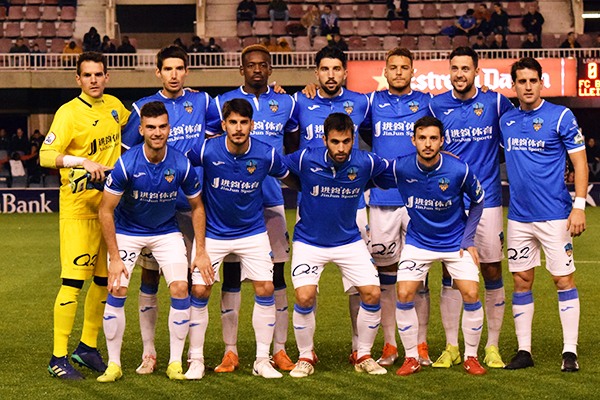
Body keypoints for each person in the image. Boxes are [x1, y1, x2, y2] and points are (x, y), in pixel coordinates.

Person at [120, 45, 219, 375]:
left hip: (193, 207)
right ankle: (149, 352)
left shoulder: (203, 102)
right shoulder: (144, 109)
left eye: (180, 68)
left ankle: (192, 355)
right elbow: (129, 153)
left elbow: (228, 128)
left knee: (191, 282)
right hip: (156, 212)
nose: (174, 74)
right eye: (168, 69)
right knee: (150, 278)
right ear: (158, 72)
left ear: (186, 71)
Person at [185, 98, 300, 380]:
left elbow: (293, 178)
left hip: (252, 232)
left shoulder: (265, 154)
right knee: (200, 291)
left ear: (252, 124)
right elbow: (179, 166)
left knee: (265, 288)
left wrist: (318, 189)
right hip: (213, 233)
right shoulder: (206, 149)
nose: (238, 128)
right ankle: (196, 359)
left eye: (243, 123)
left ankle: (262, 360)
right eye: (233, 122)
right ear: (223, 125)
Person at [204, 44, 298, 373]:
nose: (257, 70)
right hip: (229, 204)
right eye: (251, 65)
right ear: (241, 69)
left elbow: (293, 144)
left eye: (263, 65)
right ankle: (230, 351)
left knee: (276, 276)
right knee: (230, 276)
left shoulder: (287, 102)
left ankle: (280, 349)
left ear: (270, 69)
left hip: (270, 201)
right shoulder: (221, 104)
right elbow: (209, 145)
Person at [97, 101, 205, 382]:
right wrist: (114, 258)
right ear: (142, 129)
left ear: (169, 128)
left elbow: (197, 206)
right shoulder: (126, 163)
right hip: (129, 231)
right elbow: (105, 210)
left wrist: (201, 250)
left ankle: (174, 362)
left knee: (181, 288)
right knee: (118, 288)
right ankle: (114, 364)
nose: (157, 132)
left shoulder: (181, 163)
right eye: (151, 127)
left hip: (166, 231)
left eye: (162, 127)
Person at [374, 116, 487, 376]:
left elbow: (479, 200)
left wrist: (468, 239)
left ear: (441, 141)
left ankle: (471, 356)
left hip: (454, 242)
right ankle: (411, 357)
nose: (427, 144)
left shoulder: (459, 169)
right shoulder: (400, 167)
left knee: (471, 294)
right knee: (404, 294)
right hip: (419, 242)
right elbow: (375, 177)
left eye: (433, 138)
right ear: (413, 140)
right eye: (422, 138)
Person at [40, 52, 130, 380]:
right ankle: (57, 356)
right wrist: (81, 162)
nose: (94, 80)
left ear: (107, 77)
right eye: (87, 75)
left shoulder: (115, 107)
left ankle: (86, 348)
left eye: (99, 74)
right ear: (78, 79)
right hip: (78, 212)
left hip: (108, 211)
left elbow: (135, 126)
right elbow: (45, 155)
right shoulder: (68, 113)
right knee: (72, 284)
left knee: (104, 282)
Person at [429, 46, 514, 369]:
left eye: (466, 68)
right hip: (450, 203)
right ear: (449, 71)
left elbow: (516, 132)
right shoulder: (436, 105)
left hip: (489, 201)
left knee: (492, 270)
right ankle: (452, 345)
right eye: (455, 68)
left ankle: (491, 346)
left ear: (477, 71)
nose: (460, 74)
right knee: (450, 274)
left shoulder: (495, 102)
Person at [500, 57, 587, 372]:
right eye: (521, 81)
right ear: (514, 85)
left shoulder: (561, 116)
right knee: (522, 281)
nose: (527, 86)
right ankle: (524, 351)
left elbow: (580, 162)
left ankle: (570, 352)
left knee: (563, 280)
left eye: (532, 80)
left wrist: (579, 206)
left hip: (555, 215)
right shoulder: (506, 121)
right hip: (519, 218)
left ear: (542, 82)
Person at [286, 112, 388, 378]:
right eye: (335, 142)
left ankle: (363, 354)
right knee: (304, 296)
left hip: (349, 241)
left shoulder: (365, 161)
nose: (341, 148)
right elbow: (277, 168)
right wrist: (301, 185)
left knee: (372, 294)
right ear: (324, 140)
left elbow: (396, 169)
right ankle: (306, 356)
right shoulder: (306, 157)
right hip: (309, 242)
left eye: (346, 142)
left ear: (354, 139)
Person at [289, 46, 371, 365]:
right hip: (312, 204)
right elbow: (288, 143)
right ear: (316, 72)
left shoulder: (362, 102)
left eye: (337, 69)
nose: (331, 75)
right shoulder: (300, 101)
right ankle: (305, 353)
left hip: (351, 204)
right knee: (307, 290)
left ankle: (359, 349)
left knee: (358, 286)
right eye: (325, 69)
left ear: (345, 72)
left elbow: (374, 140)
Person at [360, 47, 434, 367]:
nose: (399, 72)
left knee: (419, 278)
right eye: (394, 67)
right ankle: (390, 345)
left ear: (412, 71)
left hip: (421, 199)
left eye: (405, 67)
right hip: (383, 200)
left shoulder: (429, 103)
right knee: (387, 275)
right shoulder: (370, 104)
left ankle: (421, 345)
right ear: (386, 72)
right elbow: (341, 116)